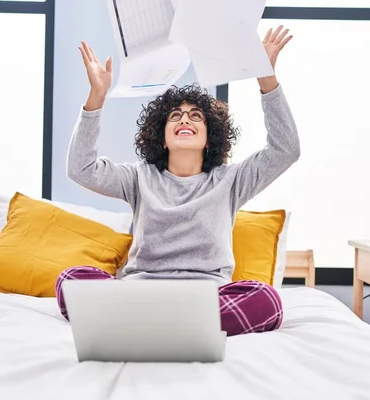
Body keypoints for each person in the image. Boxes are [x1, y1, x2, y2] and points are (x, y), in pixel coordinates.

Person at [56, 25, 299, 337]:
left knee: (268, 302)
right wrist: (96, 96)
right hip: (141, 295)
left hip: (207, 299)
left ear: (211, 138)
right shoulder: (139, 177)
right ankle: (174, 325)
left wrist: (266, 78)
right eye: (175, 117)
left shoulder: (231, 180)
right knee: (71, 280)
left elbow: (286, 149)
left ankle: (145, 325)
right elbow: (81, 168)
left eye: (196, 116)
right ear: (162, 137)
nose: (185, 119)